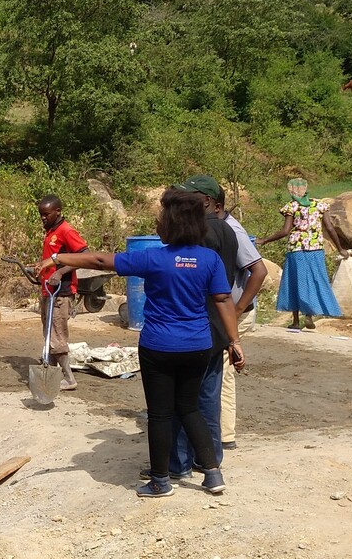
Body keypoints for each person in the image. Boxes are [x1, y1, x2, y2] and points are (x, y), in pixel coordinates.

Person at [40, 190, 244, 498]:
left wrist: (57, 258)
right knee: (190, 408)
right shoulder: (209, 259)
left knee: (161, 414)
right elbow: (223, 300)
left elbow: (99, 260)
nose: (158, 223)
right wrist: (235, 341)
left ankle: (160, 482)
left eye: (161, 219)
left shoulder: (153, 258)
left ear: (172, 225)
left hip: (159, 347)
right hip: (198, 346)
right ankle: (213, 475)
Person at [167, 176, 239, 481]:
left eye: (190, 198)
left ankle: (179, 463)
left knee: (181, 400)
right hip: (217, 328)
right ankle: (209, 459)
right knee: (208, 399)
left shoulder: (201, 234)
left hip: (194, 327)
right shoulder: (229, 230)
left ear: (208, 202)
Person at [210, 183, 268, 448]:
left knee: (223, 370)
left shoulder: (232, 231)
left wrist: (236, 310)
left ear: (216, 206)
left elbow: (259, 271)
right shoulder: (216, 228)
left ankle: (224, 435)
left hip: (233, 312)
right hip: (224, 311)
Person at [258, 178, 342, 330]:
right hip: (316, 249)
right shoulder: (318, 205)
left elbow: (285, 231)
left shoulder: (292, 206)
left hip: (296, 249)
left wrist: (264, 240)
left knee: (294, 281)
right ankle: (309, 315)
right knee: (315, 280)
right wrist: (340, 248)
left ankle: (296, 320)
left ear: (291, 191)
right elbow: (329, 228)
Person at [35, 194, 88, 391]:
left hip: (61, 291)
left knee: (57, 335)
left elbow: (83, 255)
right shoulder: (51, 231)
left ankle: (69, 378)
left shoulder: (66, 231)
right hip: (48, 290)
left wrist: (59, 271)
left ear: (58, 212)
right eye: (41, 214)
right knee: (48, 332)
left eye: (46, 214)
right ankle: (54, 372)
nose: (43, 218)